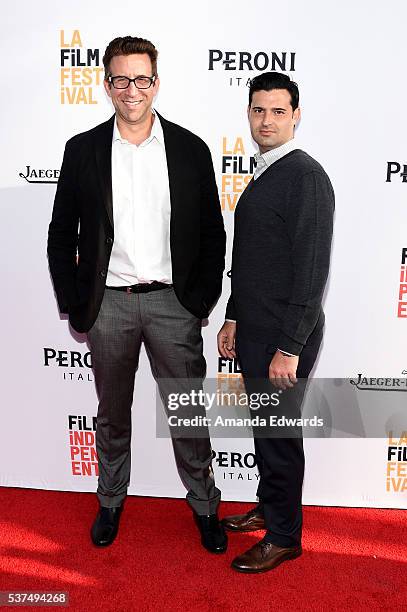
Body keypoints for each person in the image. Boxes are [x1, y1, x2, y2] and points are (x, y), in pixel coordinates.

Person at [48, 36, 227, 553]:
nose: (132, 89)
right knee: (112, 412)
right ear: (107, 85)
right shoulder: (82, 149)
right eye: (121, 79)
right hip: (109, 306)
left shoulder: (190, 148)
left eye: (142, 78)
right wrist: (75, 303)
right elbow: (61, 235)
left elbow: (213, 235)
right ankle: (110, 502)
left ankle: (205, 506)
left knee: (188, 412)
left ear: (156, 82)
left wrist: (201, 299)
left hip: (174, 303)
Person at [217, 72, 334, 572]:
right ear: (248, 114)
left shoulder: (304, 176)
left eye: (278, 111)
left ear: (296, 116)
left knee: (279, 435)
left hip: (285, 336)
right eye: (259, 110)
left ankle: (285, 536)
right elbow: (255, 259)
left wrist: (289, 347)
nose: (267, 120)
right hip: (258, 328)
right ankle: (271, 508)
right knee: (265, 430)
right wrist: (233, 316)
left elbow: (311, 271)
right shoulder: (267, 171)